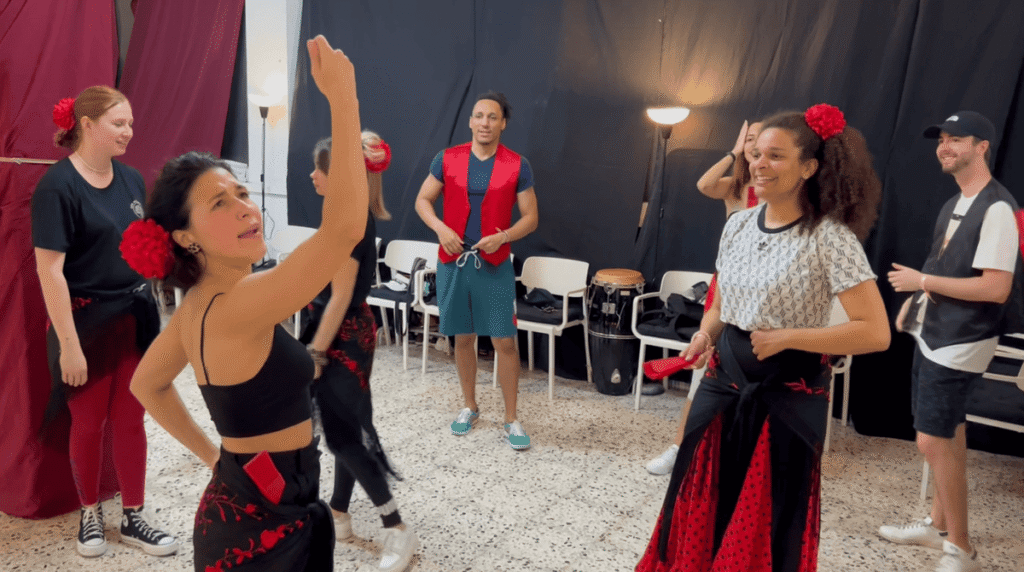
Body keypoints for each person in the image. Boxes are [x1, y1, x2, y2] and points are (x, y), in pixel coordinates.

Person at [126, 35, 366, 572]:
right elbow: (344, 228)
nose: (244, 208)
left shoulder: (199, 306)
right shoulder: (236, 305)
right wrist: (343, 99)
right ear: (186, 238)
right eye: (219, 202)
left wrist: (217, 458)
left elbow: (147, 384)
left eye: (241, 193)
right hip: (255, 533)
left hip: (255, 501)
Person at [635, 104, 891, 572]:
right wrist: (705, 334)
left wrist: (789, 337)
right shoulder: (737, 223)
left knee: (766, 515)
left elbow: (875, 332)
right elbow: (721, 302)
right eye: (757, 154)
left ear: (808, 168)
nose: (759, 165)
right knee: (700, 495)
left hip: (787, 394)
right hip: (723, 382)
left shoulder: (830, 238)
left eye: (776, 156)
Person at [31, 86, 178, 557]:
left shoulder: (131, 179)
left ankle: (134, 515)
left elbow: (145, 247)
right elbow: (50, 271)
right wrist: (69, 345)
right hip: (84, 324)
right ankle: (90, 514)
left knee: (132, 419)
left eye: (130, 123)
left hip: (133, 318)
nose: (129, 131)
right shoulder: (57, 186)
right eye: (119, 123)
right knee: (89, 422)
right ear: (87, 124)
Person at [881, 111, 1020, 572]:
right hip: (934, 332)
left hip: (962, 340)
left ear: (982, 147)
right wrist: (917, 302)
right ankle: (938, 526)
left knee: (932, 440)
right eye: (941, 139)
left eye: (956, 139)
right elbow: (943, 267)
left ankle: (962, 548)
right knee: (948, 432)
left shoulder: (997, 209)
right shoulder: (955, 203)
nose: (945, 146)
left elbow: (995, 288)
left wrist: (921, 283)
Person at [301, 132, 419, 571]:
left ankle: (396, 527)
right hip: (342, 329)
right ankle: (338, 513)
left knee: (343, 435)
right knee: (345, 428)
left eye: (319, 169)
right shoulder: (344, 214)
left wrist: (315, 354)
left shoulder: (349, 221)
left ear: (338, 176)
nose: (312, 175)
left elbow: (340, 295)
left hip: (343, 335)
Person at [414, 91, 539, 450]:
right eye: (479, 116)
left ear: (503, 123)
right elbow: (423, 200)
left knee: (504, 341)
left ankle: (511, 418)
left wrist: (505, 236)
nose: (485, 123)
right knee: (463, 337)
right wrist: (441, 228)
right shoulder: (446, 159)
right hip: (453, 262)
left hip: (494, 265)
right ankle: (470, 405)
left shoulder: (517, 165)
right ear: (470, 121)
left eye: (492, 117)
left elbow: (531, 218)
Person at [646, 119, 764, 475]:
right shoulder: (737, 188)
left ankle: (732, 459)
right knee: (704, 371)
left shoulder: (789, 196)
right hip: (726, 288)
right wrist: (734, 151)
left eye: (762, 140)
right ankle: (680, 448)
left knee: (748, 379)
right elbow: (704, 184)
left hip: (765, 295)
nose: (755, 145)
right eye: (750, 139)